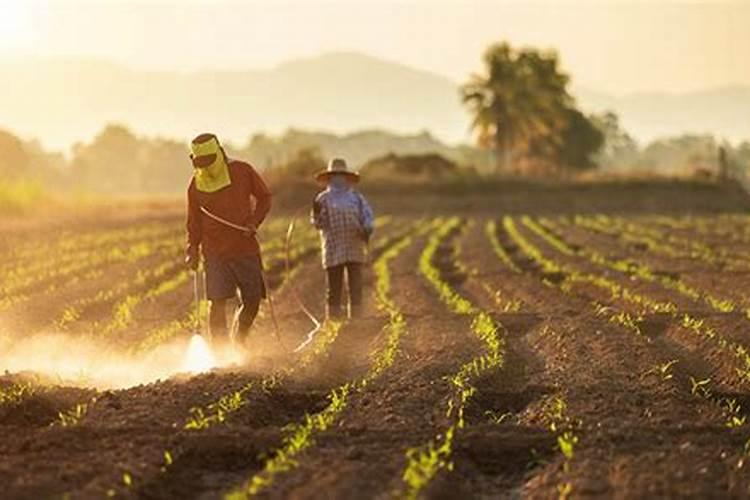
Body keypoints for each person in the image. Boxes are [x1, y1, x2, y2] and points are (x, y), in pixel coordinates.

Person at [185, 133, 272, 347]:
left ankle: (239, 338)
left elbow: (264, 197)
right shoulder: (195, 185)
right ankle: (221, 354)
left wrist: (254, 221)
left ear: (220, 153)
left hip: (245, 247)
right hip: (214, 252)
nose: (205, 167)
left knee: (252, 300)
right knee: (217, 303)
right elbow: (194, 221)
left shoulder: (242, 171)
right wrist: (192, 248)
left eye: (209, 161)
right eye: (200, 163)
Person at [311, 158, 374, 319]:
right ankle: (334, 320)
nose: (338, 178)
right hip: (333, 247)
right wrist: (317, 213)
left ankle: (356, 319)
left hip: (354, 245)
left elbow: (367, 216)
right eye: (335, 175)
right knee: (334, 286)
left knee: (355, 285)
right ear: (330, 177)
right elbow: (318, 224)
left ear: (346, 177)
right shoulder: (322, 199)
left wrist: (366, 228)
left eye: (341, 175)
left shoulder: (356, 198)